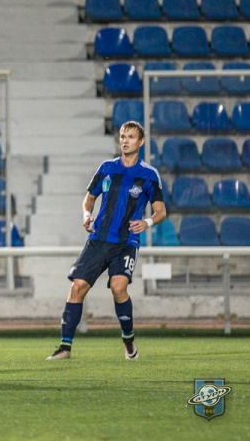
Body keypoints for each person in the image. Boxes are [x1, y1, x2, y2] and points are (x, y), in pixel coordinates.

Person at [46, 121, 166, 361]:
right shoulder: (107, 168)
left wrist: (147, 222)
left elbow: (161, 211)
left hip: (126, 242)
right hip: (98, 239)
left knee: (119, 288)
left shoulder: (149, 175)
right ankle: (65, 347)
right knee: (77, 287)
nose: (125, 141)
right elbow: (89, 198)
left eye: (131, 137)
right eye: (122, 136)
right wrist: (86, 215)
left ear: (141, 142)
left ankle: (128, 340)